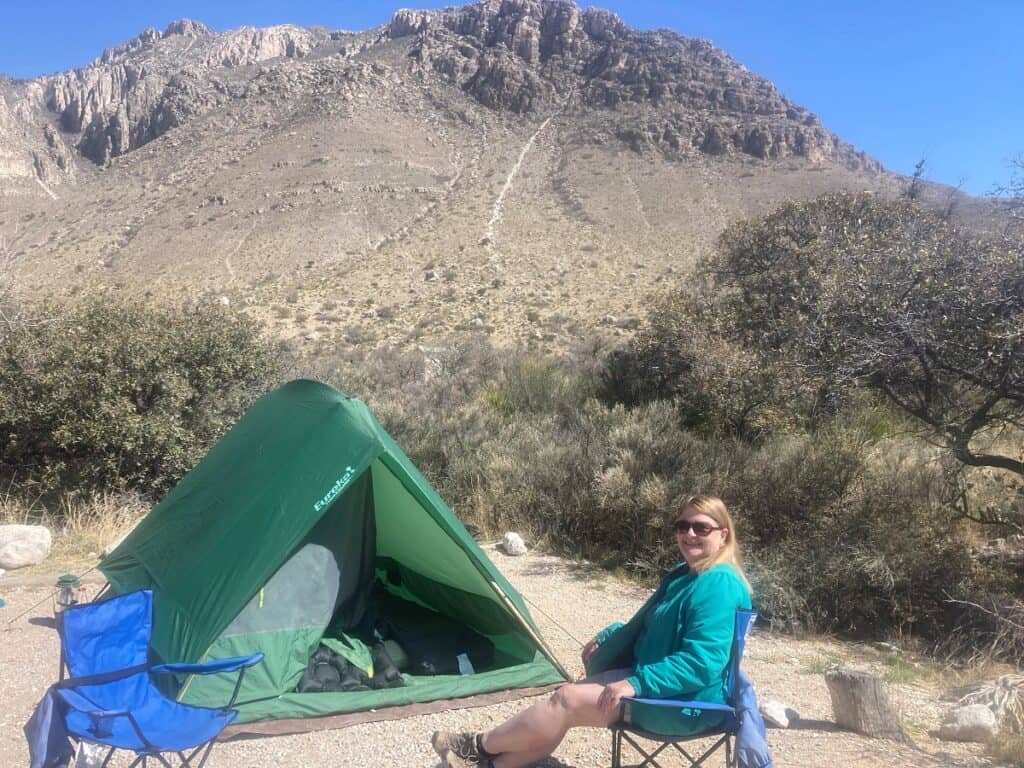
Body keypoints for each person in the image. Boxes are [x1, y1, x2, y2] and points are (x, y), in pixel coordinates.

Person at [431, 494, 753, 768]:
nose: (690, 534)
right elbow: (653, 627)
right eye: (683, 526)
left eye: (702, 527)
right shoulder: (688, 574)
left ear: (723, 534)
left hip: (686, 704)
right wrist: (609, 636)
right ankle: (491, 763)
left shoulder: (718, 584)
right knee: (564, 702)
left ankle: (478, 746)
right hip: (668, 687)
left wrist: (636, 682)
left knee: (566, 701)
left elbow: (702, 662)